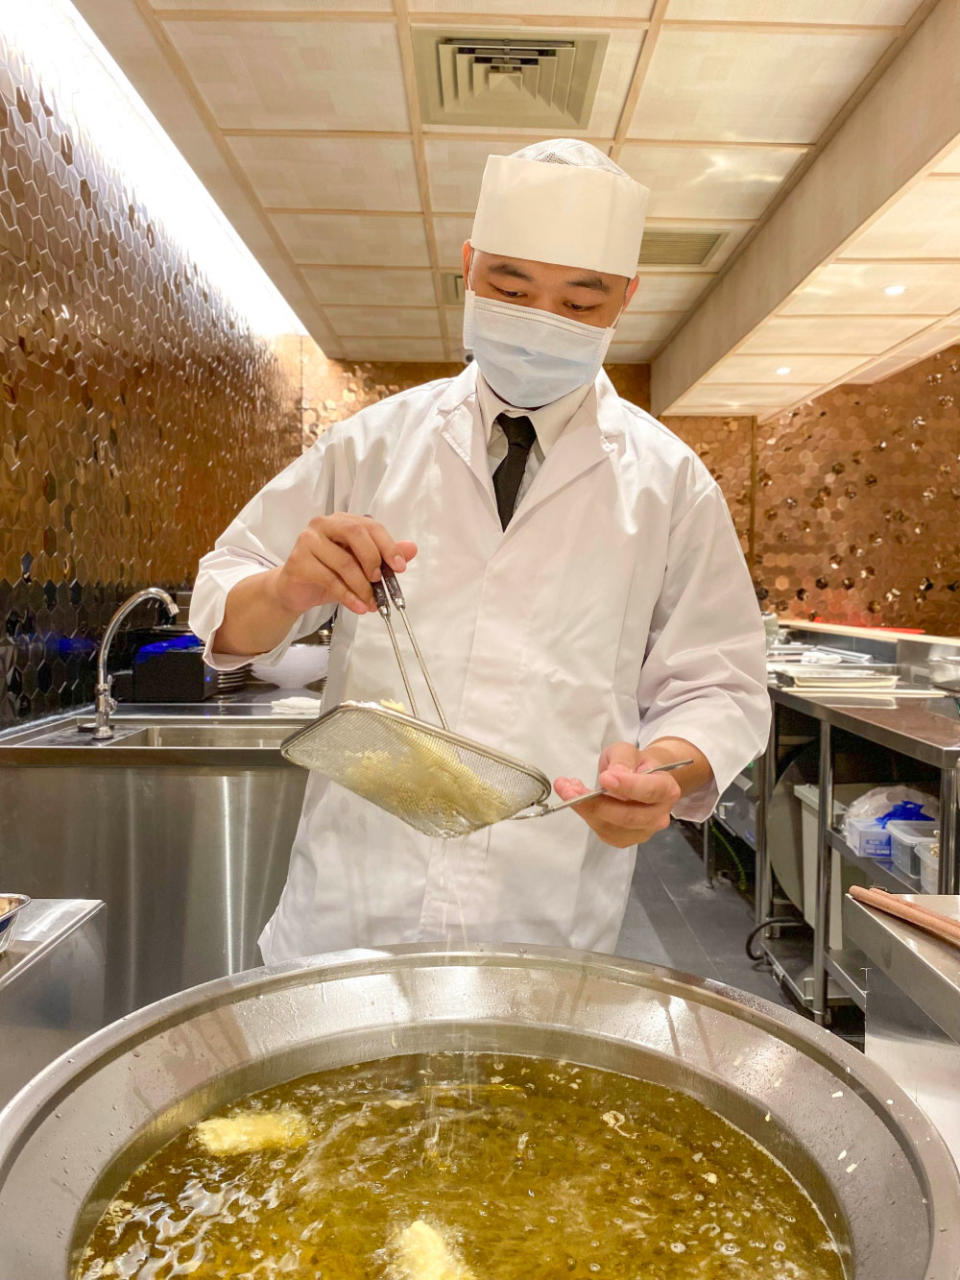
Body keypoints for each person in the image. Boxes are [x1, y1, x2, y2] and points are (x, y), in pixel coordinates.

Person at [190, 138, 770, 963]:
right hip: (351, 906)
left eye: (580, 303)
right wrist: (286, 588)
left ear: (626, 301)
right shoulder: (369, 447)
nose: (541, 321)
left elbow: (717, 682)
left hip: (544, 912)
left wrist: (665, 775)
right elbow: (223, 622)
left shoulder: (672, 485)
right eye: (510, 286)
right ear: (468, 267)